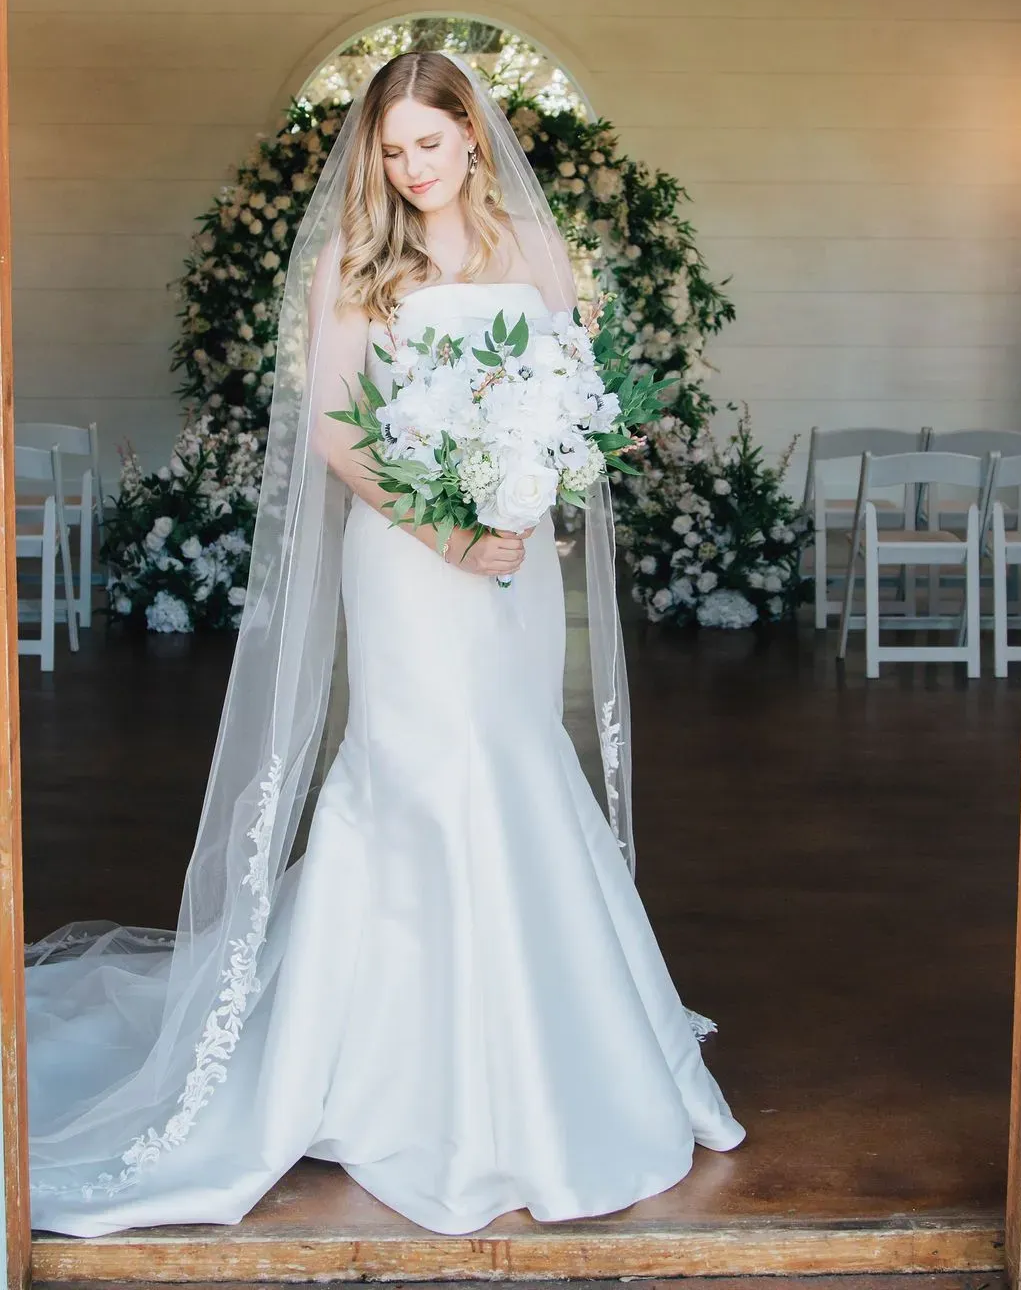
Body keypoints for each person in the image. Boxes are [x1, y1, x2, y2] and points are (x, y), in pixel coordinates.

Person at [24, 50, 744, 1239]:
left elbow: (570, 407)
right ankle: (384, 1076)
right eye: (392, 150)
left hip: (509, 562)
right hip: (407, 561)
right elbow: (333, 437)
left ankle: (545, 1053)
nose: (412, 170)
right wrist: (447, 533)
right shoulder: (357, 266)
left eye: (430, 142)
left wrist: (524, 506)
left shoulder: (536, 255)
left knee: (511, 763)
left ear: (473, 135)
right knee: (416, 774)